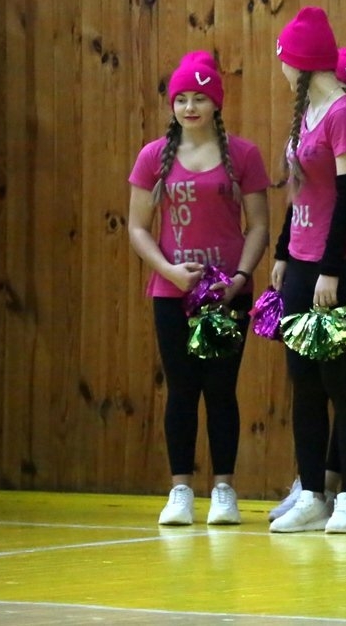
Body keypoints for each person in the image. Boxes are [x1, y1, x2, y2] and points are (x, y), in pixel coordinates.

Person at [127, 51, 271, 525]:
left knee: (221, 390)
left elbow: (258, 225)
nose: (190, 107)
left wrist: (240, 278)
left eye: (200, 98)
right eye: (182, 99)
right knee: (182, 390)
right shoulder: (153, 156)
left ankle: (224, 490)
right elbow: (137, 227)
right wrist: (169, 271)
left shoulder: (243, 155)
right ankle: (181, 491)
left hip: (227, 293)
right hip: (173, 294)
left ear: (216, 104)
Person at [268, 6, 346, 534]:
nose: (281, 68)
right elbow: (301, 193)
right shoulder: (306, 114)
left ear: (301, 61)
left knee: (341, 382)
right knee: (304, 382)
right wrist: (284, 253)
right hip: (302, 263)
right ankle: (312, 494)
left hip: (339, 266)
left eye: (284, 59)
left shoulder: (344, 114)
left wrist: (330, 270)